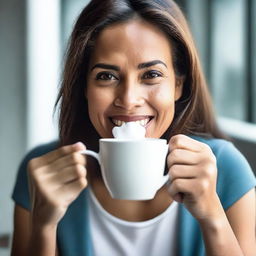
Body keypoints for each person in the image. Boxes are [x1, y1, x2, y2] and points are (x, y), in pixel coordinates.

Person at [11, 0, 256, 255]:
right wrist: (43, 226)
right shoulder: (44, 173)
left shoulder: (223, 168)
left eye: (151, 75)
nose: (128, 99)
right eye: (106, 76)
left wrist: (212, 217)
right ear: (84, 87)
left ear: (178, 85)